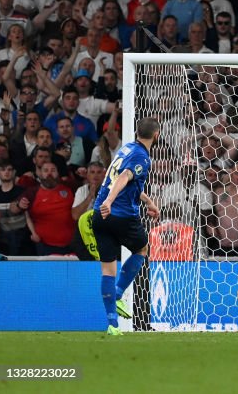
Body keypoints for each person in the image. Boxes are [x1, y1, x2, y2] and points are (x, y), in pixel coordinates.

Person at [92, 117, 162, 335]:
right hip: (120, 214)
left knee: (107, 270)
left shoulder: (126, 149)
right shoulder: (143, 156)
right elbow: (124, 177)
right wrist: (110, 202)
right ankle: (119, 293)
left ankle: (112, 325)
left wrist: (148, 201)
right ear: (157, 135)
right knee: (142, 249)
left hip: (99, 215)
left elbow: (123, 181)